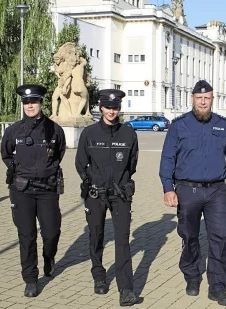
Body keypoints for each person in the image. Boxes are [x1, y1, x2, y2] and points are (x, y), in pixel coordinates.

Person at [159, 80, 226, 306]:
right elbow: (168, 158)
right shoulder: (179, 126)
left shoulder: (223, 126)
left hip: (216, 192)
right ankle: (192, 276)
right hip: (187, 190)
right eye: (199, 98)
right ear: (193, 99)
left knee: (221, 237)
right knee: (189, 237)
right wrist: (168, 188)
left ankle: (217, 287)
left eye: (207, 98)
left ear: (212, 99)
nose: (203, 102)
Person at [75, 89, 139, 307]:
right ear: (101, 108)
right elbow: (80, 162)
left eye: (115, 107)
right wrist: (91, 180)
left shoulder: (128, 134)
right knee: (96, 236)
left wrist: (121, 182)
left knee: (122, 240)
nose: (112, 111)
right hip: (96, 194)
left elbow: (132, 165)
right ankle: (99, 275)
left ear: (119, 109)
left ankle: (126, 288)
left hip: (120, 194)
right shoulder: (89, 133)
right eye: (108, 107)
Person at [1, 84, 66, 297]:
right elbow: (6, 154)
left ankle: (49, 257)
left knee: (51, 232)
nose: (30, 106)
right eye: (26, 103)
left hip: (47, 189)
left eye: (34, 102)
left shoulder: (54, 129)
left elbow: (58, 154)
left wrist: (46, 170)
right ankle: (30, 278)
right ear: (23, 105)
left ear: (41, 103)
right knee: (27, 236)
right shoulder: (14, 130)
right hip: (22, 190)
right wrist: (21, 170)